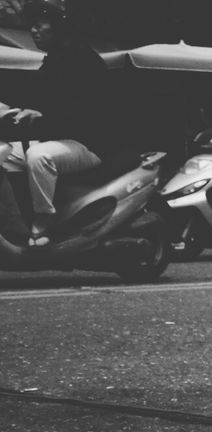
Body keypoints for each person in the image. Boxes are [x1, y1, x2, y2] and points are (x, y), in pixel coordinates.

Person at [3, 0, 115, 248]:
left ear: (57, 28)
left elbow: (89, 108)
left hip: (86, 145)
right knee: (3, 155)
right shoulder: (51, 62)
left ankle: (43, 222)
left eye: (39, 25)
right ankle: (12, 220)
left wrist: (44, 116)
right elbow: (28, 99)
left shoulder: (87, 62)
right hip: (52, 141)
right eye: (32, 25)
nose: (33, 30)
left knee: (38, 156)